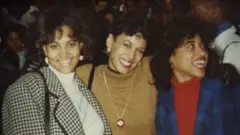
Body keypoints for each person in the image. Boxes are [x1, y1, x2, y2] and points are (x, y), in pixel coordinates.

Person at [2, 3, 112, 135]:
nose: (64, 53)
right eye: (54, 46)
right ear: (44, 49)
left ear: (81, 46)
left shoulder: (82, 85)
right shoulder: (25, 90)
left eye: (71, 44)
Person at [151, 17, 240, 135]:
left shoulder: (223, 88)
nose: (202, 53)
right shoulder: (162, 96)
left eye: (202, 45)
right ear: (170, 57)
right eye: (191, 47)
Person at [76, 15, 157, 135]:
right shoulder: (85, 75)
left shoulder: (149, 70)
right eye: (127, 45)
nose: (131, 56)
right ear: (110, 42)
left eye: (139, 50)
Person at [191, 0, 240, 73]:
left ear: (214, 12)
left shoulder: (234, 48)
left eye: (195, 9)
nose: (192, 14)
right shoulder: (210, 41)